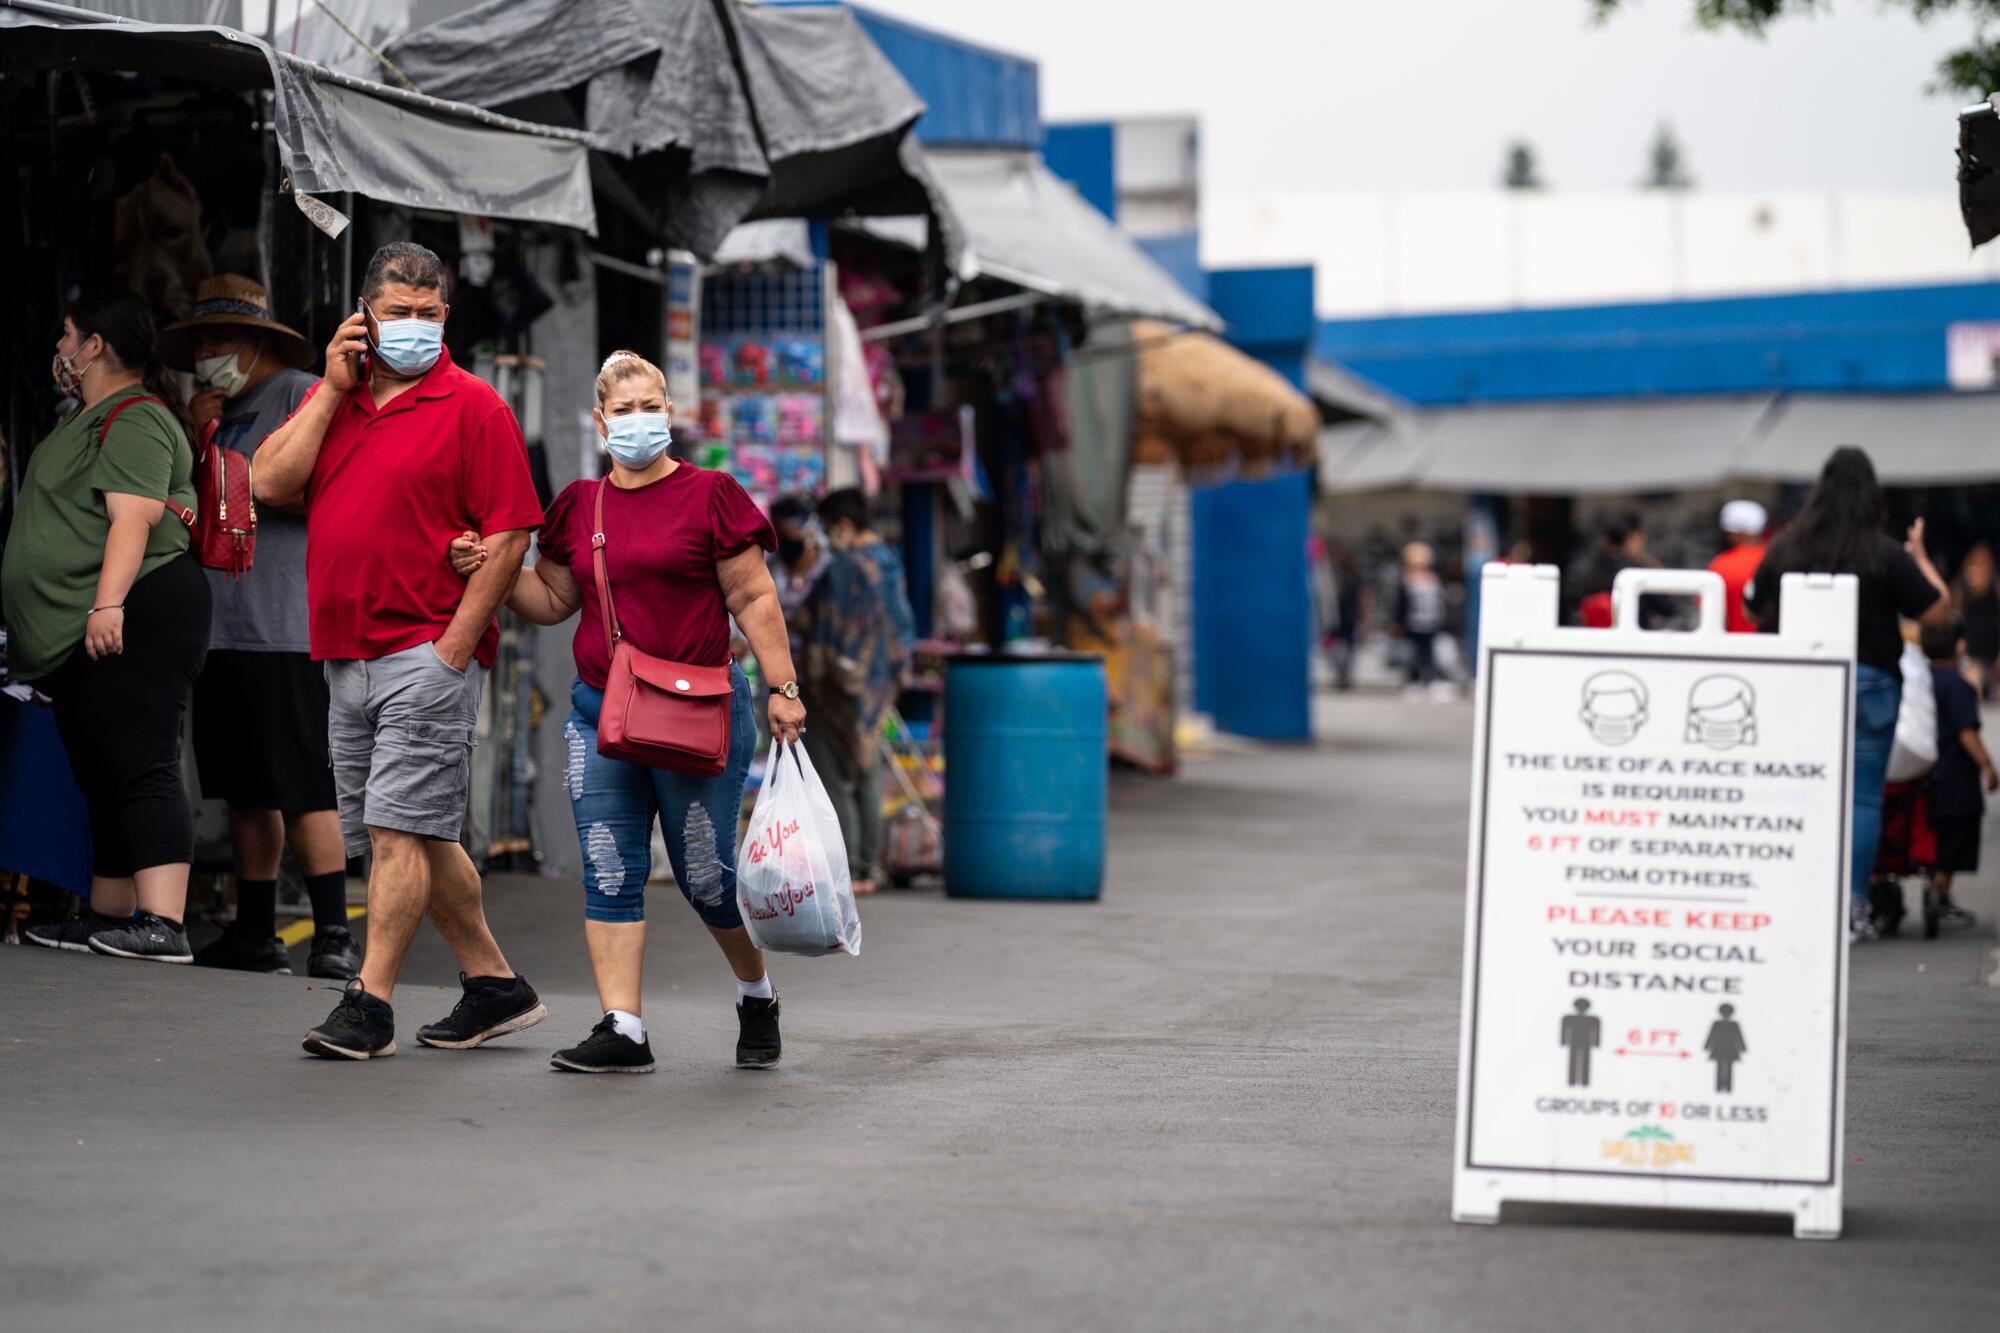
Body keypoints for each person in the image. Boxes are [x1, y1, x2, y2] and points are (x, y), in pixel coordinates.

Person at [448, 350, 805, 1072]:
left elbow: (754, 597)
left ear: (669, 413)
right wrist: (489, 568)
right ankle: (624, 1028)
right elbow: (551, 599)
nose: (638, 421)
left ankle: (755, 990)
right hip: (601, 715)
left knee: (705, 874)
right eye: (624, 409)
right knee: (609, 866)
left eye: (651, 407)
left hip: (700, 710)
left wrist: (784, 686)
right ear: (600, 419)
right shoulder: (581, 505)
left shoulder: (712, 494)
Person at [253, 241, 548, 1060]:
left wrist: (457, 644)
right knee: (415, 834)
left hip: (427, 647)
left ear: (446, 316)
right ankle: (494, 984)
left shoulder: (475, 404)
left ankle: (369, 1000)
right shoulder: (335, 398)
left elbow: (512, 533)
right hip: (346, 651)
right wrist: (329, 388)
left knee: (392, 831)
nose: (415, 327)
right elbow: (267, 484)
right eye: (398, 314)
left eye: (429, 314)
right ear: (364, 317)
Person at [156, 276, 360, 979]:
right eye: (200, 342)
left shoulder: (302, 394)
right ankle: (253, 929)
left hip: (287, 624)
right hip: (224, 627)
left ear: (253, 342)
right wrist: (195, 430)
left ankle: (334, 929)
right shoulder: (219, 409)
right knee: (244, 789)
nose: (205, 353)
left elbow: (316, 488)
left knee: (303, 785)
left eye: (216, 339)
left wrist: (226, 453)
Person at [7, 290, 210, 962]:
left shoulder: (136, 416)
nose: (60, 349)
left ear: (95, 345)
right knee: (102, 768)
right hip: (87, 623)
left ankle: (164, 921)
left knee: (142, 758)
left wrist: (107, 605)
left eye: (67, 334)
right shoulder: (88, 417)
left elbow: (133, 517)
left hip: (137, 607)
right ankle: (113, 913)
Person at [1746, 447, 1950, 943]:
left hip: (1803, 682)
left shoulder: (1788, 547)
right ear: (1870, 496)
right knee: (1862, 798)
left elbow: (1753, 607)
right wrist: (1920, 558)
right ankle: (1853, 908)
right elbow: (1937, 615)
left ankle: (1797, 900)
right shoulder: (1882, 553)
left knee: (1799, 789)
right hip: (1873, 682)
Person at [793, 487, 912, 897]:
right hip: (877, 688)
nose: (827, 538)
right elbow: (901, 630)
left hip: (838, 689)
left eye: (827, 529)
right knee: (868, 773)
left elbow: (814, 623)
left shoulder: (843, 570)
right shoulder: (889, 563)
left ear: (843, 526)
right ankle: (868, 865)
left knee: (838, 779)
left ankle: (851, 868)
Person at [1920, 616, 1993, 931]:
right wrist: (1987, 765)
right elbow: (1966, 732)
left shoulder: (1917, 681)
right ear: (1958, 646)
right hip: (1955, 777)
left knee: (1928, 835)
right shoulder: (1957, 686)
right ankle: (1940, 889)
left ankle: (1931, 885)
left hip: (1922, 776)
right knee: (1955, 838)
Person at [1394, 541, 1449, 699]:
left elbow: (1440, 601)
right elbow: (1400, 603)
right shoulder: (1406, 579)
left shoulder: (1433, 579)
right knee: (1412, 655)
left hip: (1431, 623)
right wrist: (1397, 622)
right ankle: (1413, 683)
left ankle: (1435, 682)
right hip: (1412, 623)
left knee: (1431, 654)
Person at [1708, 499, 1767, 634]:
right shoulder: (1774, 561)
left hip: (1732, 645)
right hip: (1771, 646)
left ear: (1735, 534)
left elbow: (1708, 610)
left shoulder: (1721, 564)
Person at [1952, 541, 2000, 698]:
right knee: (1972, 685)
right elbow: (1955, 615)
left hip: (1993, 647)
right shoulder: (1962, 587)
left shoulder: (1996, 585)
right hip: (1972, 649)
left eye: (1983, 562)